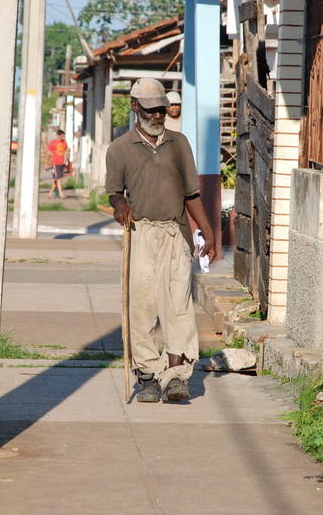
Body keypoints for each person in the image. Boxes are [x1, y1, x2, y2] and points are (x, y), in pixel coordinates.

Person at [106, 78, 216, 403]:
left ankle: (177, 376)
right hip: (140, 233)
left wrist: (208, 233)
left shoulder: (179, 144)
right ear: (135, 106)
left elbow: (192, 194)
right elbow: (114, 193)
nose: (158, 116)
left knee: (178, 305)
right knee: (141, 305)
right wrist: (120, 206)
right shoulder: (119, 148)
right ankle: (148, 376)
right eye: (152, 110)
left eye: (162, 110)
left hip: (174, 233)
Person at [45, 129, 69, 199]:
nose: (63, 138)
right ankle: (61, 194)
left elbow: (66, 150)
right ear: (58, 135)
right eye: (62, 136)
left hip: (62, 163)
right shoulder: (52, 143)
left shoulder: (64, 142)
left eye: (64, 136)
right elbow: (48, 154)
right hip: (55, 163)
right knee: (58, 179)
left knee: (56, 179)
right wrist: (46, 164)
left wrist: (66, 159)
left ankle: (50, 193)